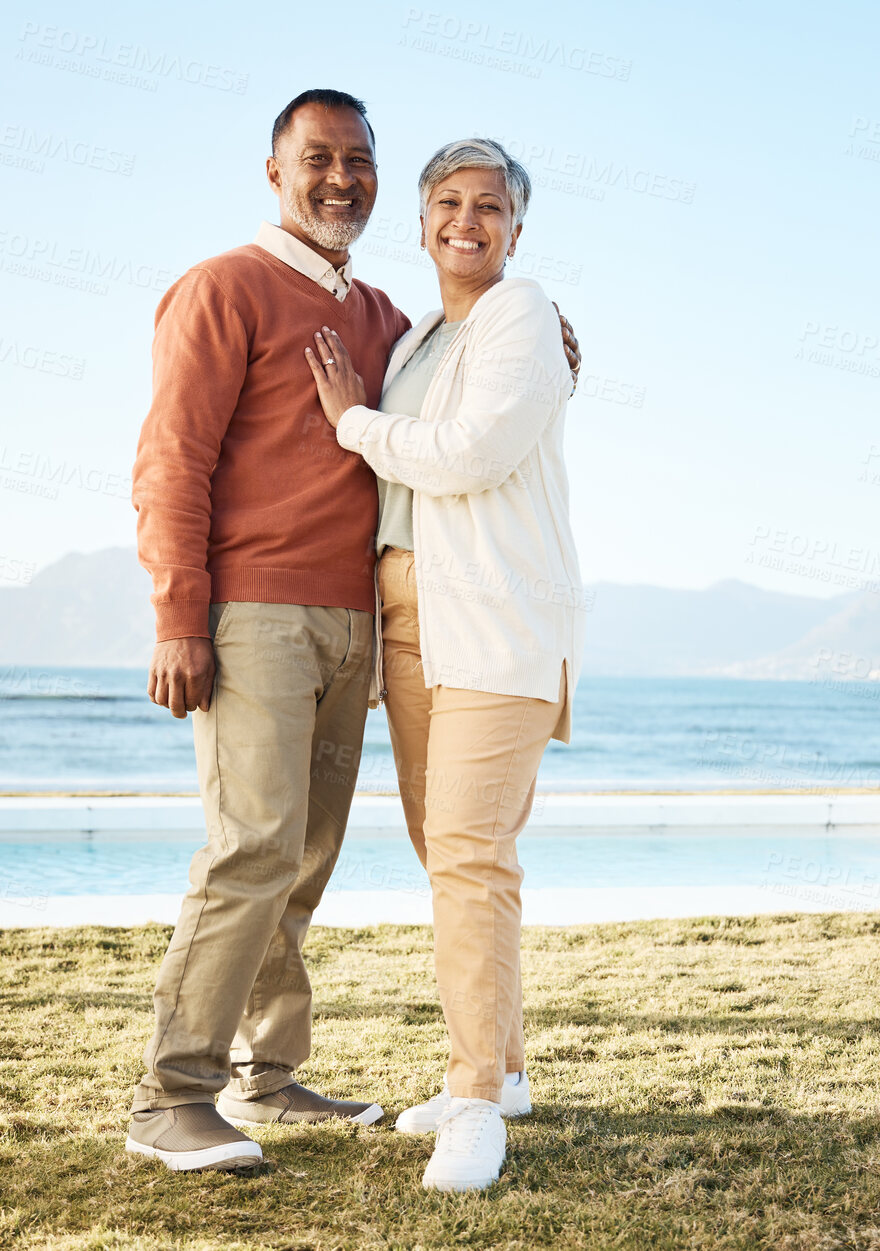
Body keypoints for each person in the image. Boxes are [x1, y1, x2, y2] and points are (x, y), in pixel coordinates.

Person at [126, 91, 581, 1175]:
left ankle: (268, 1076)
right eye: (318, 158)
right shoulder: (220, 287)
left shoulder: (393, 320)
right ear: (274, 170)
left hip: (362, 625)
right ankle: (170, 1099)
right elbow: (170, 462)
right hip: (255, 614)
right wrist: (177, 615)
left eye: (360, 160)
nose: (341, 178)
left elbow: (482, 387)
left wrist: (556, 344)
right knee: (253, 847)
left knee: (305, 855)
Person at [305, 136, 582, 1193]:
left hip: (496, 624)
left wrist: (353, 425)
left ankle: (474, 1100)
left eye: (491, 206)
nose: (468, 220)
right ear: (421, 223)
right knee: (452, 851)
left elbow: (472, 453)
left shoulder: (522, 311)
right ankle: (501, 1069)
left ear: (516, 230)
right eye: (448, 203)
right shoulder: (424, 332)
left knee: (468, 855)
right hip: (410, 620)